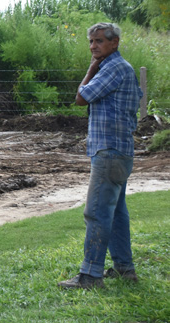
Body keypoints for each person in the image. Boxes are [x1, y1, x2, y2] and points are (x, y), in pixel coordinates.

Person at [58, 23, 143, 290]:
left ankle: (90, 276)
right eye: (91, 42)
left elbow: (81, 97)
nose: (93, 46)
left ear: (114, 42)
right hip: (119, 151)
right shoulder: (121, 68)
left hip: (108, 152)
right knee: (116, 212)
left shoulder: (113, 68)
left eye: (98, 41)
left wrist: (90, 69)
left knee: (95, 212)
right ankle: (124, 268)